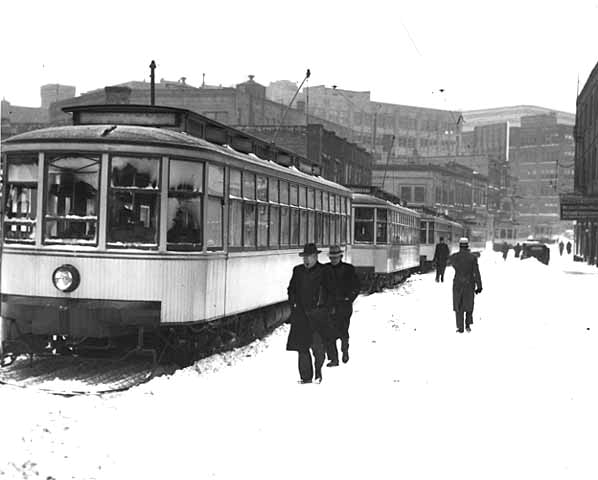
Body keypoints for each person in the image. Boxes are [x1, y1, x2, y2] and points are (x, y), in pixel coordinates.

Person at [286, 243, 335, 384]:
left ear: (316, 257)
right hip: (301, 315)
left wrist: (326, 308)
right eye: (304, 257)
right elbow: (291, 290)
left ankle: (318, 372)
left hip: (318, 315)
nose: (306, 260)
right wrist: (294, 304)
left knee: (318, 347)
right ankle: (306, 377)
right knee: (302, 347)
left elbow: (331, 292)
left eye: (309, 257)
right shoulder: (298, 271)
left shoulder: (324, 271)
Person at [324, 245, 360, 367]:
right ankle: (334, 359)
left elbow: (356, 286)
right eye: (331, 258)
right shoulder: (325, 269)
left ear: (341, 257)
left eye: (336, 257)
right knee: (329, 333)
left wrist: (349, 299)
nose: (333, 260)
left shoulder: (349, 269)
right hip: (330, 306)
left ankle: (345, 351)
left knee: (343, 330)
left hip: (344, 306)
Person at [449, 237, 483, 333]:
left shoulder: (454, 257)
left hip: (458, 283)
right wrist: (479, 286)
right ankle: (468, 324)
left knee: (458, 305)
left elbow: (453, 264)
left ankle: (460, 327)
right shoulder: (472, 258)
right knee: (469, 304)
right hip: (469, 283)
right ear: (467, 245)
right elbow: (476, 272)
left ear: (459, 246)